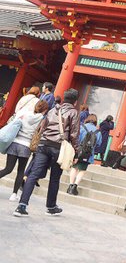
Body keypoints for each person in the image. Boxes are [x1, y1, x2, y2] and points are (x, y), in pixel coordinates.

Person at [14, 88, 80, 217]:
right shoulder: (73, 112)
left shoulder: (52, 110)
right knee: (55, 178)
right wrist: (76, 153)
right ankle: (51, 207)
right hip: (58, 147)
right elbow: (74, 134)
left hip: (43, 144)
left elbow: (42, 127)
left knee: (33, 175)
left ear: (64, 98)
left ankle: (22, 205)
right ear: (75, 102)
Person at [0, 100, 48, 201]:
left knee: (8, 169)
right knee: (21, 171)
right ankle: (14, 194)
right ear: (44, 110)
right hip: (26, 146)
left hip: (15, 143)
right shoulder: (42, 120)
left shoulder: (25, 114)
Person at [67, 114, 102, 196]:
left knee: (74, 168)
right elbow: (99, 144)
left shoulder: (82, 127)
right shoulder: (98, 131)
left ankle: (70, 185)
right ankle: (74, 187)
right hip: (88, 154)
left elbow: (75, 137)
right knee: (82, 170)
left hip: (78, 151)